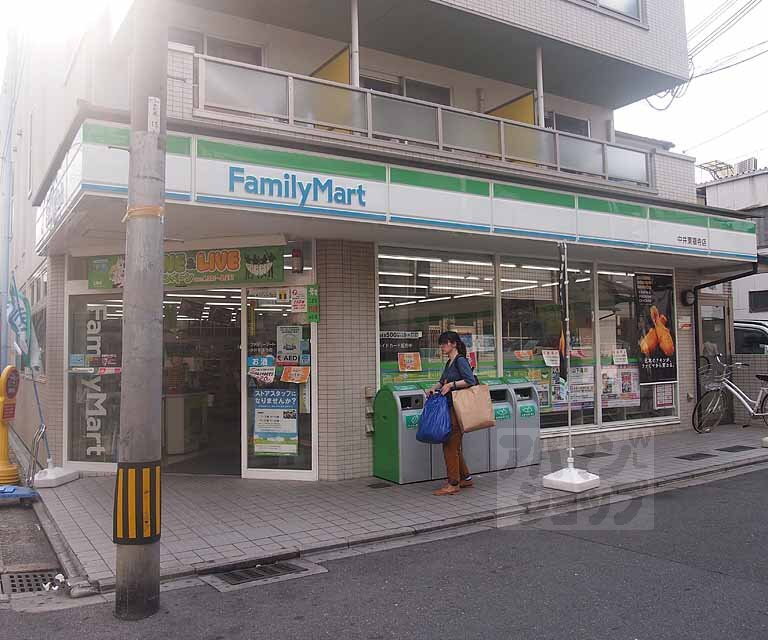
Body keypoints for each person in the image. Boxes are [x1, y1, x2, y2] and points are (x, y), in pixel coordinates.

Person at [428, 331, 477, 496]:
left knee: (449, 445)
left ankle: (453, 483)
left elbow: (470, 380)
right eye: (441, 344)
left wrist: (451, 385)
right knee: (454, 446)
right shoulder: (450, 362)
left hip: (457, 409)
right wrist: (433, 388)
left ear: (454, 344)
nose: (442, 346)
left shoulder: (460, 360)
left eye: (445, 343)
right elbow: (442, 381)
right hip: (449, 407)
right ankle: (466, 478)